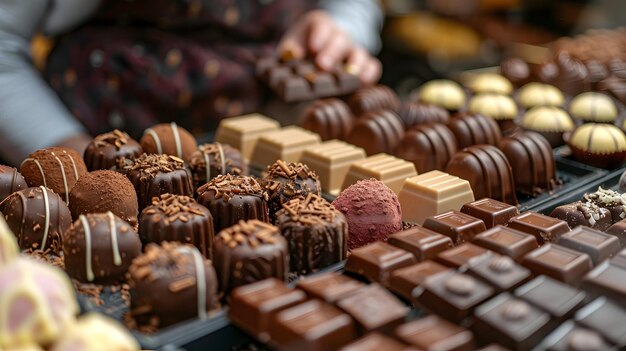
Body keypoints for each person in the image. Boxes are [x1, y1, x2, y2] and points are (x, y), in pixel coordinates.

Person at [0, 0, 383, 166]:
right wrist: (68, 153)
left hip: (276, 126)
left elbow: (353, 5)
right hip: (101, 128)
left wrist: (341, 28)